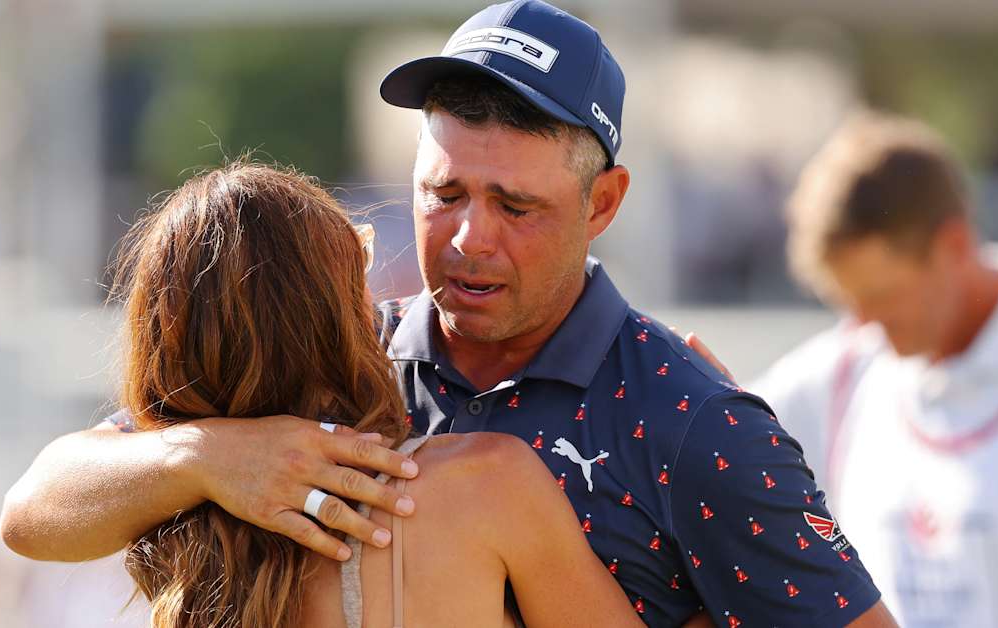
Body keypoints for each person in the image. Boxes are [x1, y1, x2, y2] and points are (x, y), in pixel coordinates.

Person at [2, 2, 896, 625]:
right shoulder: (339, 354)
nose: (470, 239)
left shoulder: (693, 422)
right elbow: (36, 510)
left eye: (516, 205)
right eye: (444, 192)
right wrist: (210, 456)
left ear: (605, 203)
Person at [103, 160, 646, 627]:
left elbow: (28, 515)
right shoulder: (487, 484)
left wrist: (200, 460)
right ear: (335, 312)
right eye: (356, 260)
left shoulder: (159, 514)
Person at [750, 111, 998, 627]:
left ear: (954, 247)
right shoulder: (843, 371)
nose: (866, 322)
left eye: (884, 295)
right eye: (849, 302)